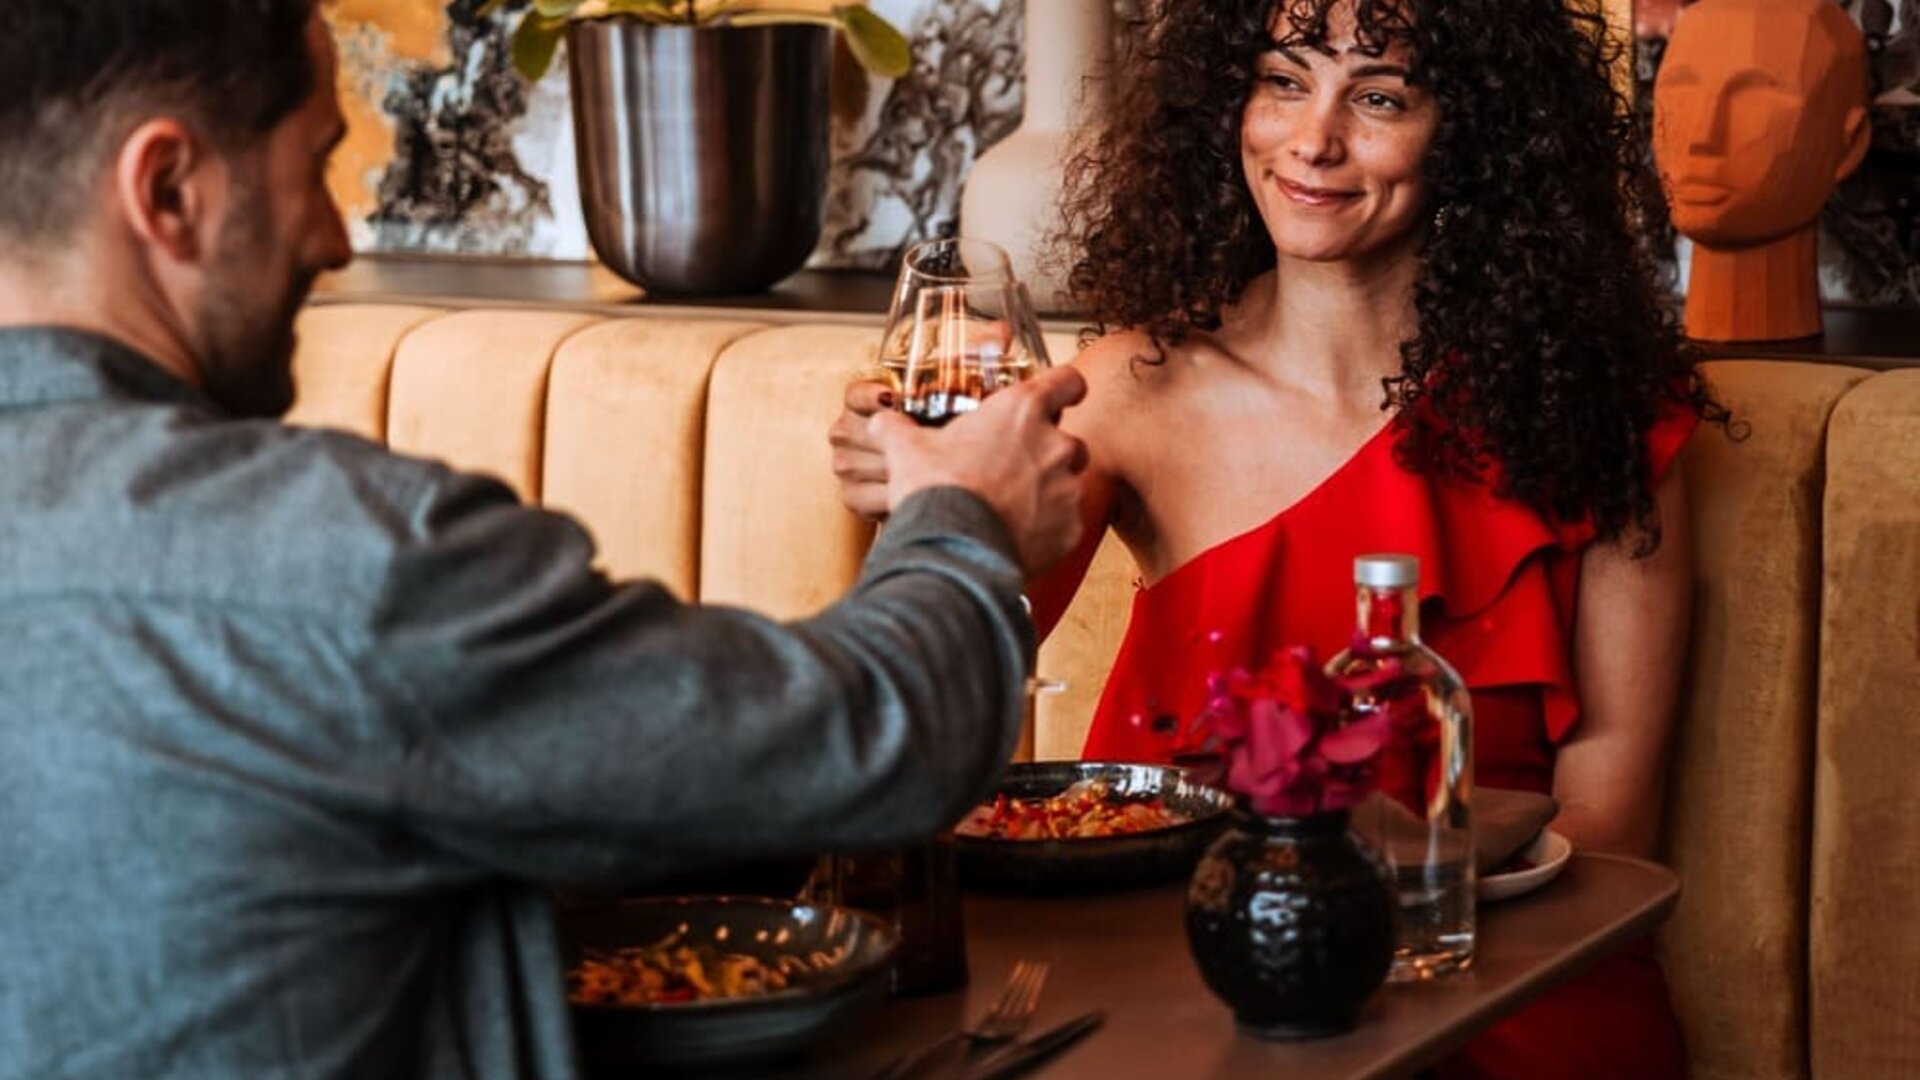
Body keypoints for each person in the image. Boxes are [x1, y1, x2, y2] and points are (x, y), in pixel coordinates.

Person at [0, 3, 1090, 1078]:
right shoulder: (344, 561)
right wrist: (967, 519)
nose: (336, 239)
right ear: (169, 191)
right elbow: (870, 737)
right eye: (319, 163)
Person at [832, 1, 1729, 1076]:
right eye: (1283, 80)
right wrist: (912, 498)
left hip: (1493, 983)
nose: (1314, 140)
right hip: (1180, 973)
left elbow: (1612, 832)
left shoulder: (1601, 413)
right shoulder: (1121, 391)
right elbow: (917, 702)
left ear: (1479, 133)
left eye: (1381, 97)